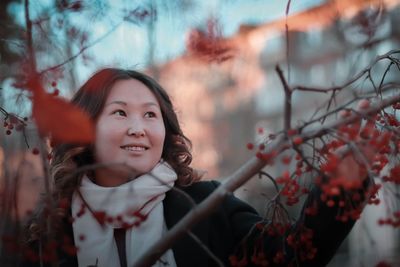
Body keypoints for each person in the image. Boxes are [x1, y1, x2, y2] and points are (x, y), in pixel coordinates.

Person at [22, 68, 371, 267]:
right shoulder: (47, 232)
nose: (138, 128)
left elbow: (295, 256)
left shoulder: (206, 207)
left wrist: (340, 187)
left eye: (150, 114)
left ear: (165, 131)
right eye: (120, 112)